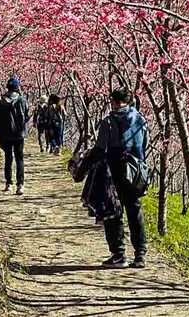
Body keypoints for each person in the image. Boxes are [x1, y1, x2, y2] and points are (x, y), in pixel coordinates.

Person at [72, 87, 149, 268]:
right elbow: (144, 146)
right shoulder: (141, 121)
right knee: (135, 212)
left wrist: (83, 167)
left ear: (113, 102)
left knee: (113, 212)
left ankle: (119, 255)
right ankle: (140, 255)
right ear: (129, 101)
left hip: (113, 172)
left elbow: (100, 150)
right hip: (136, 172)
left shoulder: (108, 122)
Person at [0, 77, 30, 195]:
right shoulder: (22, 100)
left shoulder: (1, 101)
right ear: (17, 87)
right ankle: (20, 184)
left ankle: (8, 183)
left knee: (8, 158)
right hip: (19, 134)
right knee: (19, 159)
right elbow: (27, 116)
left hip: (5, 134)